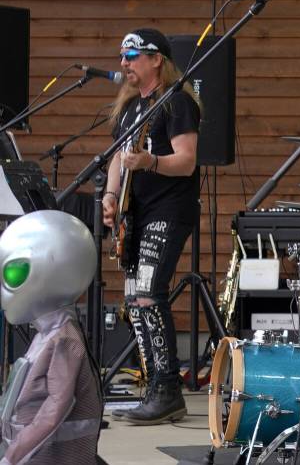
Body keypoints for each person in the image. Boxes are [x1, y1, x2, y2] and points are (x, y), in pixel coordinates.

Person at [102, 28, 201, 425]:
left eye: (132, 55)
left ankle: (167, 389)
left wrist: (151, 163)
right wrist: (111, 196)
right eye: (122, 56)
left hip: (168, 210)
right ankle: (155, 383)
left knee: (148, 294)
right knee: (133, 299)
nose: (124, 62)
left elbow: (188, 160)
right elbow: (115, 158)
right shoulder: (130, 109)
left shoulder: (176, 103)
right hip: (136, 213)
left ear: (156, 59)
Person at [0, 210, 102, 465]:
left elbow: (55, 410)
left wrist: (13, 456)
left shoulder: (64, 339)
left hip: (53, 457)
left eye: (13, 273)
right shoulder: (49, 333)